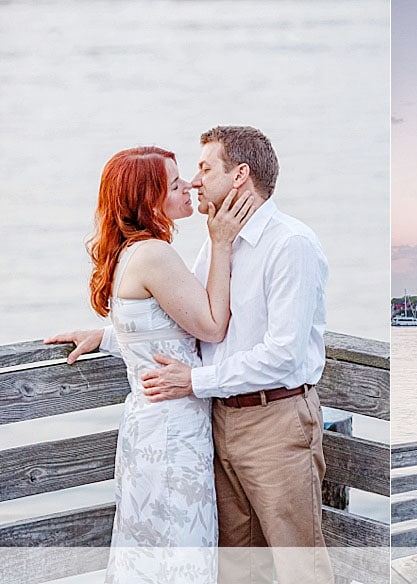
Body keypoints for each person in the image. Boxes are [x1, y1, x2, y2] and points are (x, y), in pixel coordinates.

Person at [49, 127, 333, 584]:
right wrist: (114, 335)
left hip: (274, 421)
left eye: (203, 170)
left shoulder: (289, 244)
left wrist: (193, 382)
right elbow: (181, 320)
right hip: (217, 421)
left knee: (299, 563)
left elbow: (282, 354)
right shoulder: (216, 242)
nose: (195, 183)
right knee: (237, 565)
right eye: (184, 178)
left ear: (240, 175)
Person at [46, 146, 255, 582]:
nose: (188, 187)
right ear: (148, 198)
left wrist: (105, 336)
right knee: (180, 553)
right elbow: (213, 327)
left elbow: (154, 332)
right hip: (172, 435)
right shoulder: (154, 254)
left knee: (153, 551)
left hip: (153, 427)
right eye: (174, 184)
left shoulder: (131, 253)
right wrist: (221, 243)